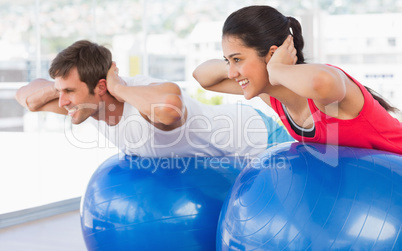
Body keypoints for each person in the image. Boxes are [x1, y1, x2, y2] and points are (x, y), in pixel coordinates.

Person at [16, 40, 293, 158]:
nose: (62, 102)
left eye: (69, 92)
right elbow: (27, 98)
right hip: (221, 161)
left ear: (101, 86)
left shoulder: (142, 94)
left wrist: (120, 88)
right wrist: (62, 87)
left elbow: (171, 111)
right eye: (61, 92)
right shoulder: (84, 105)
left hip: (257, 138)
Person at [193, 5, 402, 154]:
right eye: (228, 61)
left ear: (271, 54)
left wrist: (275, 68)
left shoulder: (322, 91)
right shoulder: (271, 93)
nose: (231, 73)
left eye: (238, 58)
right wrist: (242, 67)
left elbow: (321, 82)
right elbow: (202, 77)